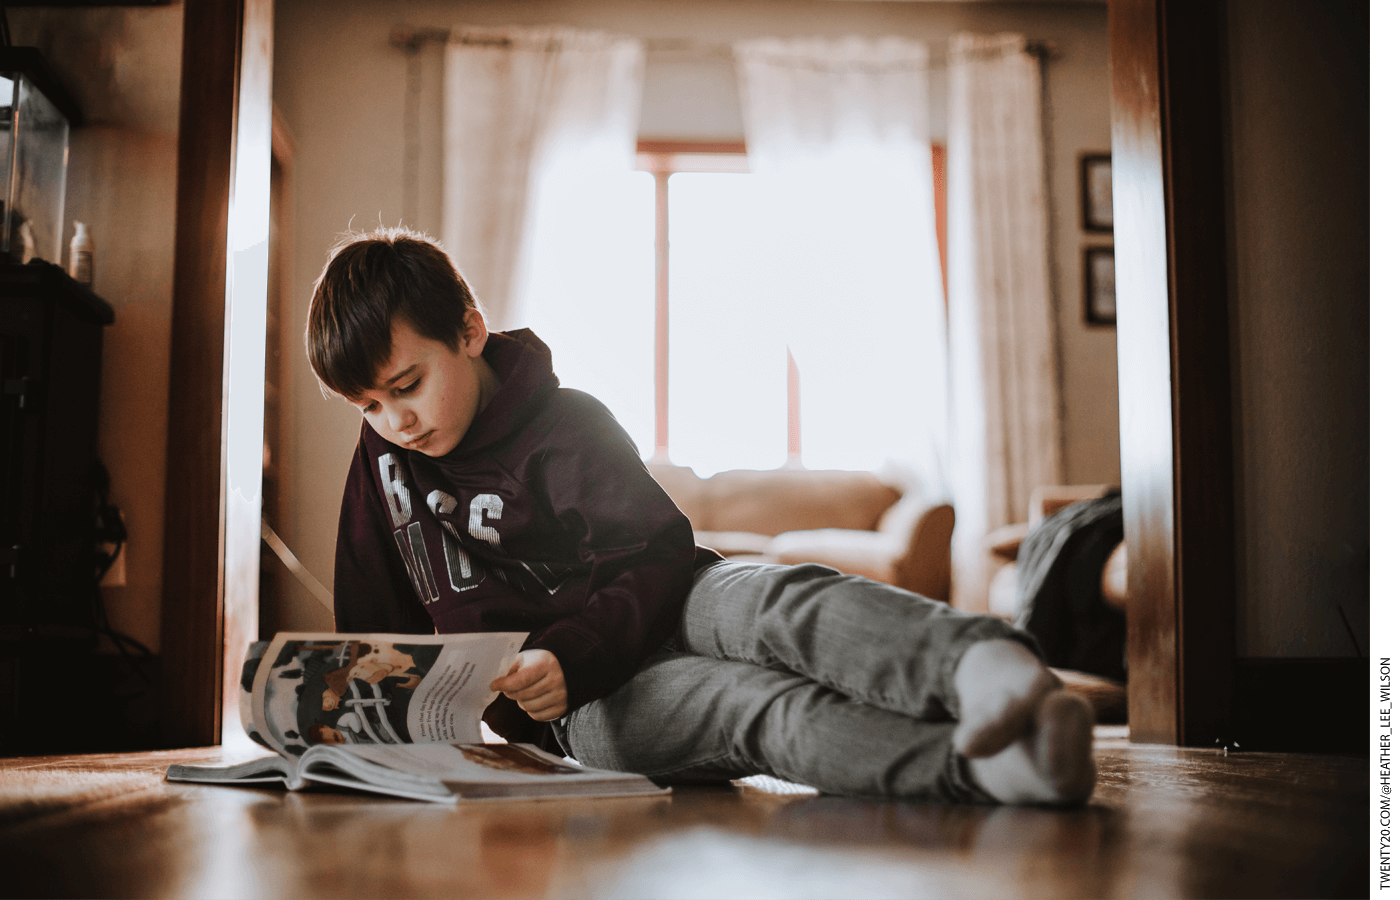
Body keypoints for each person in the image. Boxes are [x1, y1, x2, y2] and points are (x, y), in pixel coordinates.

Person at [306, 226, 1096, 805]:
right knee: (755, 711)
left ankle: (987, 669)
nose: (394, 422)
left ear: (469, 333)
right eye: (368, 405)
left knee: (777, 602)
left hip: (673, 598)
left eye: (407, 386)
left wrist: (573, 651)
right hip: (576, 711)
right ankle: (992, 767)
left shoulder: (566, 421)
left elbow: (652, 555)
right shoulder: (382, 461)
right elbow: (379, 626)